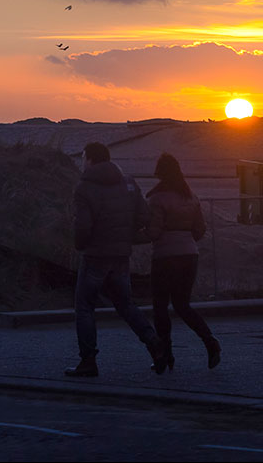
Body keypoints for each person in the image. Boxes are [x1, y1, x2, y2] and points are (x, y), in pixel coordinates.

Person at [65, 141, 171, 377]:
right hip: (121, 254)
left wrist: (80, 245)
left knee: (84, 307)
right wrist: (123, 233)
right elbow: (144, 216)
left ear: (90, 159)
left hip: (95, 255)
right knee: (126, 304)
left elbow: (83, 226)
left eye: (83, 158)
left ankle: (88, 361)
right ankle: (154, 344)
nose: (82, 163)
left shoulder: (84, 187)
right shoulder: (129, 182)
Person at [145, 152, 221, 370]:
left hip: (164, 256)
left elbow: (153, 231)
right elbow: (200, 229)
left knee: (160, 307)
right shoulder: (191, 197)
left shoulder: (156, 199)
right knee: (183, 305)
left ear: (160, 173)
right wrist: (185, 239)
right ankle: (210, 342)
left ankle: (165, 355)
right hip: (190, 254)